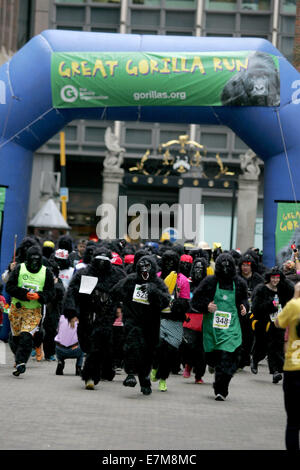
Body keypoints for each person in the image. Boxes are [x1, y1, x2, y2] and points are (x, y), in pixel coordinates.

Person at [63, 247, 126, 390]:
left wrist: (120, 307)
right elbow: (72, 293)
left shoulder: (118, 275)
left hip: (106, 316)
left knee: (98, 344)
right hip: (86, 315)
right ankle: (99, 370)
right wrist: (72, 313)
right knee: (86, 344)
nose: (102, 264)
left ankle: (90, 376)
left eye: (105, 261)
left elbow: (125, 292)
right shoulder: (83, 274)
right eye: (99, 261)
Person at [191, 253, 249, 401]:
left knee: (227, 358)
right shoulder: (210, 282)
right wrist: (206, 305)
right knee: (214, 358)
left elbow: (244, 299)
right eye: (222, 267)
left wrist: (244, 307)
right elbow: (196, 299)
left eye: (227, 267)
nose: (225, 270)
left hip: (231, 329)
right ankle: (215, 368)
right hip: (213, 328)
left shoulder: (239, 283)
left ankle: (221, 389)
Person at [111, 255, 170, 396]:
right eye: (142, 268)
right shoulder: (131, 280)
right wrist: (123, 303)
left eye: (147, 269)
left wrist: (153, 291)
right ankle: (130, 373)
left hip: (151, 323)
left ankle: (144, 380)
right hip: (133, 320)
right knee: (133, 346)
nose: (145, 272)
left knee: (148, 353)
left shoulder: (158, 283)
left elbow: (166, 300)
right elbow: (115, 292)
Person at [6, 245, 54, 376]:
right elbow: (9, 287)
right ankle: (18, 356)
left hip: (33, 311)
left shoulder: (46, 272)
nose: (34, 263)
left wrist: (40, 296)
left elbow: (51, 293)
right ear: (27, 259)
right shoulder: (19, 269)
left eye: (37, 260)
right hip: (17, 309)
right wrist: (24, 294)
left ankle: (21, 362)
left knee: (26, 335)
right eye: (31, 260)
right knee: (16, 337)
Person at [151, 249, 190, 392]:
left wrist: (178, 306)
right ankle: (155, 368)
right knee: (158, 348)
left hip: (175, 321)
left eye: (172, 261)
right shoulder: (157, 277)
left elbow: (186, 301)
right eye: (166, 261)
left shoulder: (183, 280)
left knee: (170, 352)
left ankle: (163, 378)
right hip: (159, 318)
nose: (169, 264)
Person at [250, 266, 294, 383]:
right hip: (263, 322)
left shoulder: (285, 289)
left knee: (277, 346)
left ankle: (276, 372)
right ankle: (255, 359)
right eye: (273, 278)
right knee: (262, 346)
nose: (275, 280)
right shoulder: (261, 289)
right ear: (269, 278)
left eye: (277, 278)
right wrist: (270, 306)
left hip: (278, 323)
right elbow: (256, 308)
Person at [275, 281, 300, 450]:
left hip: (294, 366)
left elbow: (278, 323)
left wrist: (295, 298)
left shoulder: (293, 305)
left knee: (293, 421)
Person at [181, 257, 207, 384]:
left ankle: (199, 375)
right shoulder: (187, 282)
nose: (198, 271)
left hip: (203, 318)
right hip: (189, 317)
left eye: (201, 269)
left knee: (201, 349)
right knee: (188, 345)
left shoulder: (208, 283)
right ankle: (188, 365)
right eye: (196, 268)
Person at [237, 253, 264, 369]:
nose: (245, 267)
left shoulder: (258, 279)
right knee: (239, 336)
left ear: (251, 266)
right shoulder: (236, 277)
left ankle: (246, 357)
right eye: (243, 265)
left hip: (254, 312)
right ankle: (239, 360)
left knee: (249, 338)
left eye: (248, 265)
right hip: (239, 311)